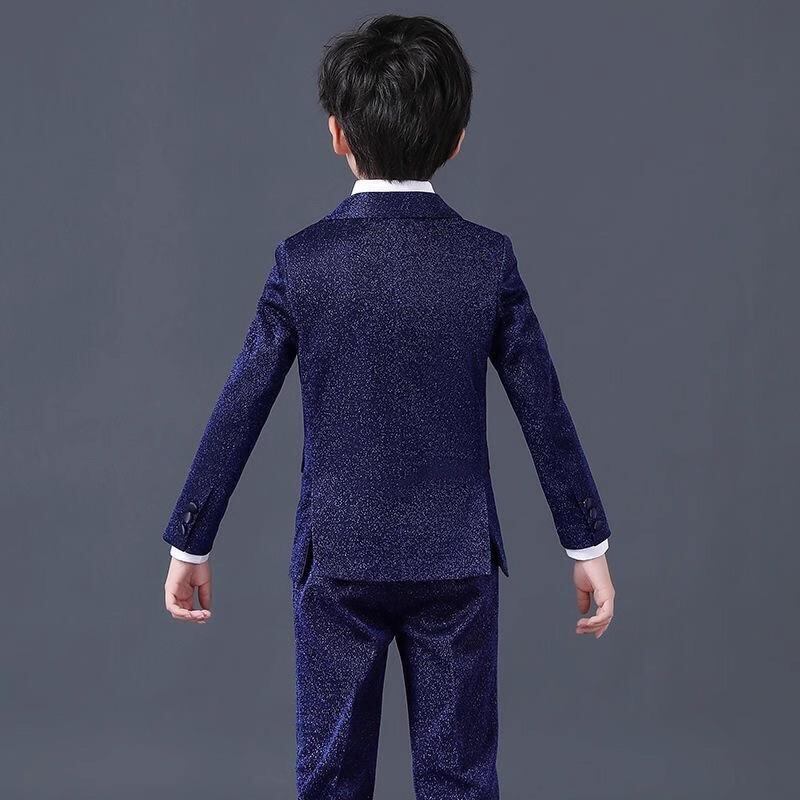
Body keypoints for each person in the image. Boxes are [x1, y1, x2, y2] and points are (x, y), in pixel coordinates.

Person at [163, 14, 615, 799]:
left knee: (331, 778)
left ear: (337, 134)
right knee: (460, 778)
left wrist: (191, 540)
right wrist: (587, 542)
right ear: (457, 139)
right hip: (457, 560)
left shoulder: (303, 262)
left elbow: (242, 400)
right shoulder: (486, 260)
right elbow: (543, 408)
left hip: (336, 560)